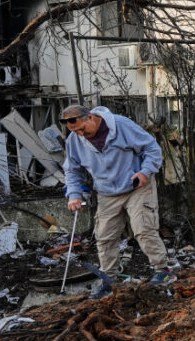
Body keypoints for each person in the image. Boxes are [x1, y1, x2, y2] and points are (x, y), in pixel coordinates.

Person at [61, 104, 174, 299]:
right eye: (75, 131)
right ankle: (108, 280)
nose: (80, 134)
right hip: (106, 192)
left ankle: (163, 270)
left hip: (136, 185)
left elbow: (152, 148)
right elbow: (72, 169)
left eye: (82, 129)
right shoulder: (75, 140)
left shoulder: (121, 126)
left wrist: (145, 171)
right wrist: (74, 194)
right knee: (105, 236)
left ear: (90, 117)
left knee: (143, 228)